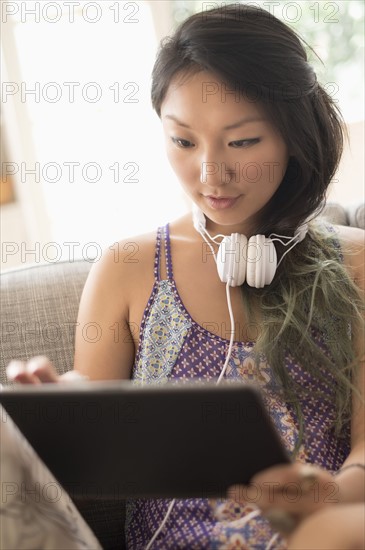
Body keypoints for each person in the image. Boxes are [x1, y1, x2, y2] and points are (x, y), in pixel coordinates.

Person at [4, 3, 364, 549]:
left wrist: (327, 499)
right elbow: (95, 404)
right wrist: (57, 398)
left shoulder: (356, 266)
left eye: (243, 142)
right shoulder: (126, 267)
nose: (210, 174)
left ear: (293, 136)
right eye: (183, 141)